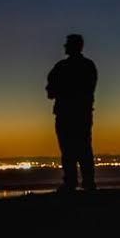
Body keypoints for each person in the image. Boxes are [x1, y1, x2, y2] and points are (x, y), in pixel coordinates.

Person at [46, 33, 98, 192]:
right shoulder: (87, 66)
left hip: (69, 114)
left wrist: (63, 91)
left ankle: (73, 182)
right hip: (79, 113)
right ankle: (85, 182)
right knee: (81, 148)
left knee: (70, 148)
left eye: (67, 44)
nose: (64, 47)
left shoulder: (62, 67)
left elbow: (50, 91)